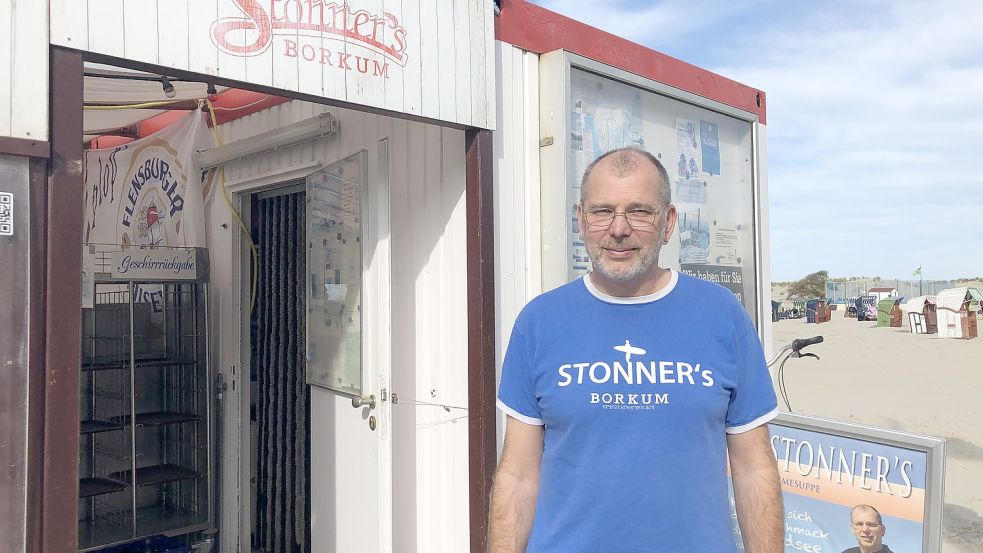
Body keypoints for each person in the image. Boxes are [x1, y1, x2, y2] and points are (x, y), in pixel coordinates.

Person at [488, 147, 783, 552]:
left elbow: (754, 469)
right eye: (602, 210)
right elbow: (518, 476)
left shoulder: (722, 315)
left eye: (640, 211)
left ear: (668, 222)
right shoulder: (539, 322)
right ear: (581, 219)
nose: (619, 228)